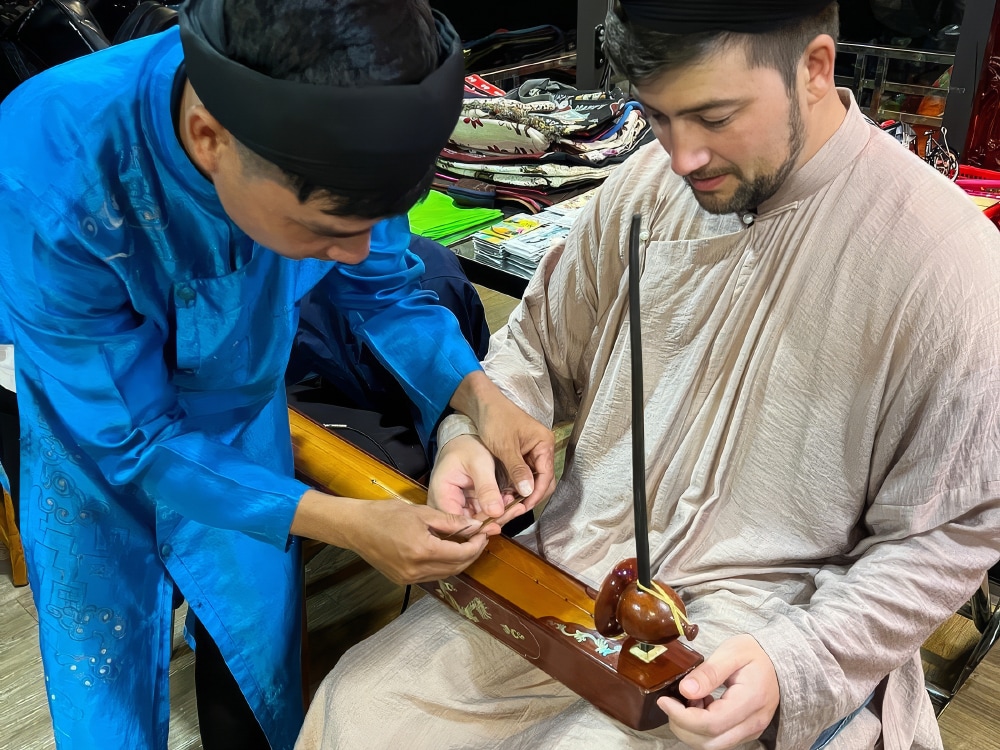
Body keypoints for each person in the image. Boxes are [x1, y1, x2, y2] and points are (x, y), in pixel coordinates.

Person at [298, 1, 1000, 749]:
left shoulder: (947, 266)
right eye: (660, 118)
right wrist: (471, 433)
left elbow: (943, 537)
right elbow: (534, 351)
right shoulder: (643, 190)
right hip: (571, 580)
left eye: (715, 116)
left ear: (816, 68)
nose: (683, 156)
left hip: (764, 633)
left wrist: (795, 664)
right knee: (360, 710)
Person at [0, 0, 554, 748]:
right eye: (326, 232)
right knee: (106, 692)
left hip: (241, 409)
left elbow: (384, 289)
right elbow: (130, 441)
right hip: (92, 434)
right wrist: (351, 524)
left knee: (258, 670)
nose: (353, 254)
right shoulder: (53, 168)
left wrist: (479, 397)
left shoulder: (354, 121)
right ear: (208, 139)